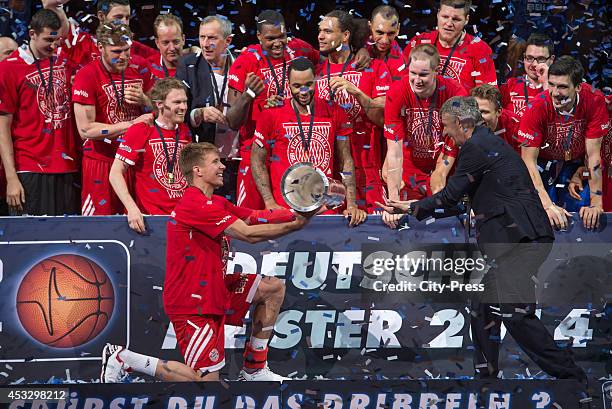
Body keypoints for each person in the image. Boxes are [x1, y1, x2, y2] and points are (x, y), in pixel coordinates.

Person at [378, 96, 588, 398]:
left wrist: (412, 209)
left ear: (463, 123)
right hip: (513, 240)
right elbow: (461, 201)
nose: (446, 134)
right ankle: (486, 379)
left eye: (448, 127)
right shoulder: (483, 144)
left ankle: (574, 380)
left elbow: (450, 196)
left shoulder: (476, 147)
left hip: (521, 241)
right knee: (482, 304)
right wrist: (413, 208)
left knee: (515, 315)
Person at [101, 142, 314, 383]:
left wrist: (301, 208)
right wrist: (296, 225)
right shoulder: (194, 205)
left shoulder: (217, 203)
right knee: (205, 381)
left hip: (216, 289)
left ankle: (254, 368)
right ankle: (124, 359)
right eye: (215, 162)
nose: (223, 166)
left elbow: (256, 216)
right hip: (191, 303)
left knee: (272, 288)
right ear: (197, 170)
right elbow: (248, 234)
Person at [250, 57, 366, 226]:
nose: (303, 91)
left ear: (316, 81)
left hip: (326, 209)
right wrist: (269, 203)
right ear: (288, 84)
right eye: (296, 86)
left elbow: (346, 160)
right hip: (286, 211)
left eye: (309, 85)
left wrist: (352, 204)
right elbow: (257, 160)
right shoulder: (271, 114)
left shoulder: (335, 111)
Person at [225, 9, 320, 209]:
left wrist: (360, 51)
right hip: (254, 152)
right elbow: (232, 121)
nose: (278, 43)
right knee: (251, 219)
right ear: (259, 36)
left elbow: (327, 63)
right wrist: (249, 94)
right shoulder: (246, 62)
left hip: (290, 153)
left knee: (287, 219)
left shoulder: (299, 50)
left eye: (282, 37)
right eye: (270, 38)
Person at [0, 9, 79, 216]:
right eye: (47, 40)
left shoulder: (65, 63)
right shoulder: (8, 69)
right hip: (29, 168)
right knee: (31, 242)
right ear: (32, 33)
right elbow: (2, 127)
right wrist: (11, 178)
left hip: (67, 166)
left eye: (57, 40)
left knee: (66, 242)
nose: (53, 46)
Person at [73, 22, 154, 216]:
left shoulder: (141, 67)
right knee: (100, 227)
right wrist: (131, 125)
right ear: (100, 47)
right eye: (117, 51)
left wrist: (145, 100)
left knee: (141, 222)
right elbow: (86, 130)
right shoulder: (87, 75)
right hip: (102, 161)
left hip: (136, 160)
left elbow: (158, 109)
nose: (124, 56)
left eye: (127, 50)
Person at [382, 44, 467, 228]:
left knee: (443, 215)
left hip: (445, 157)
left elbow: (457, 141)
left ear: (436, 72)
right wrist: (393, 202)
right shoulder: (396, 92)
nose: (416, 80)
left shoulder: (455, 93)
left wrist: (441, 174)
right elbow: (395, 152)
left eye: (423, 75)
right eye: (413, 73)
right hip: (410, 163)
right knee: (410, 220)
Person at [518, 56, 608, 230]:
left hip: (576, 165)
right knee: (544, 214)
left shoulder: (594, 100)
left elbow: (593, 154)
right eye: (551, 84)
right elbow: (528, 161)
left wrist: (596, 203)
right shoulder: (537, 107)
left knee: (583, 206)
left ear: (578, 87)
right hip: (542, 165)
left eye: (562, 86)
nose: (555, 92)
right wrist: (546, 204)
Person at [317, 10, 390, 213]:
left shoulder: (375, 69)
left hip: (367, 168)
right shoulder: (315, 73)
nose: (320, 36)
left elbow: (383, 119)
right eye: (320, 31)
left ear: (346, 35)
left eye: (328, 31)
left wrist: (357, 93)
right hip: (328, 172)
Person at [110, 78, 191, 232]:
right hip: (150, 221)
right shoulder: (141, 129)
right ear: (159, 104)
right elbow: (115, 173)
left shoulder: (185, 131)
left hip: (181, 219)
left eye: (185, 102)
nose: (183, 107)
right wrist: (132, 208)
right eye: (177, 102)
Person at [176, 15, 239, 201]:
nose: (205, 44)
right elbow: (178, 111)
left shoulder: (243, 65)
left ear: (228, 41)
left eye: (212, 38)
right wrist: (199, 113)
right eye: (202, 37)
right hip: (206, 163)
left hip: (239, 157)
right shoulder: (188, 66)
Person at [402, 0, 497, 91]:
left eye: (456, 19)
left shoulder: (480, 49)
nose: (449, 23)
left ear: (466, 19)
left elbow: (487, 97)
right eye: (445, 17)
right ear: (438, 14)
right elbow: (401, 83)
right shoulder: (419, 41)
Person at [61, 0, 157, 69]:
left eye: (127, 17)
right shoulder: (82, 43)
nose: (124, 23)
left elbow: (165, 63)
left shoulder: (136, 48)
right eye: (118, 17)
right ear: (101, 16)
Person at [500, 33, 555, 117]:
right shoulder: (509, 85)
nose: (534, 64)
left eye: (540, 59)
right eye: (529, 58)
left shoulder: (560, 88)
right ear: (524, 57)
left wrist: (546, 84)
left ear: (551, 60)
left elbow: (556, 120)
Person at [471, 84, 520, 152]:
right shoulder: (465, 123)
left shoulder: (515, 127)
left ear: (499, 112)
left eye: (484, 112)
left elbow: (523, 160)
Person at [367, 5, 407, 81]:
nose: (385, 40)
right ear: (370, 27)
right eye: (379, 33)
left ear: (398, 29)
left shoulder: (404, 63)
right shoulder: (355, 52)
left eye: (391, 33)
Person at [147, 14, 185, 80]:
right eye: (165, 43)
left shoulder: (195, 66)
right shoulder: (147, 68)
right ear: (157, 43)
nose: (172, 48)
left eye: (176, 42)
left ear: (183, 39)